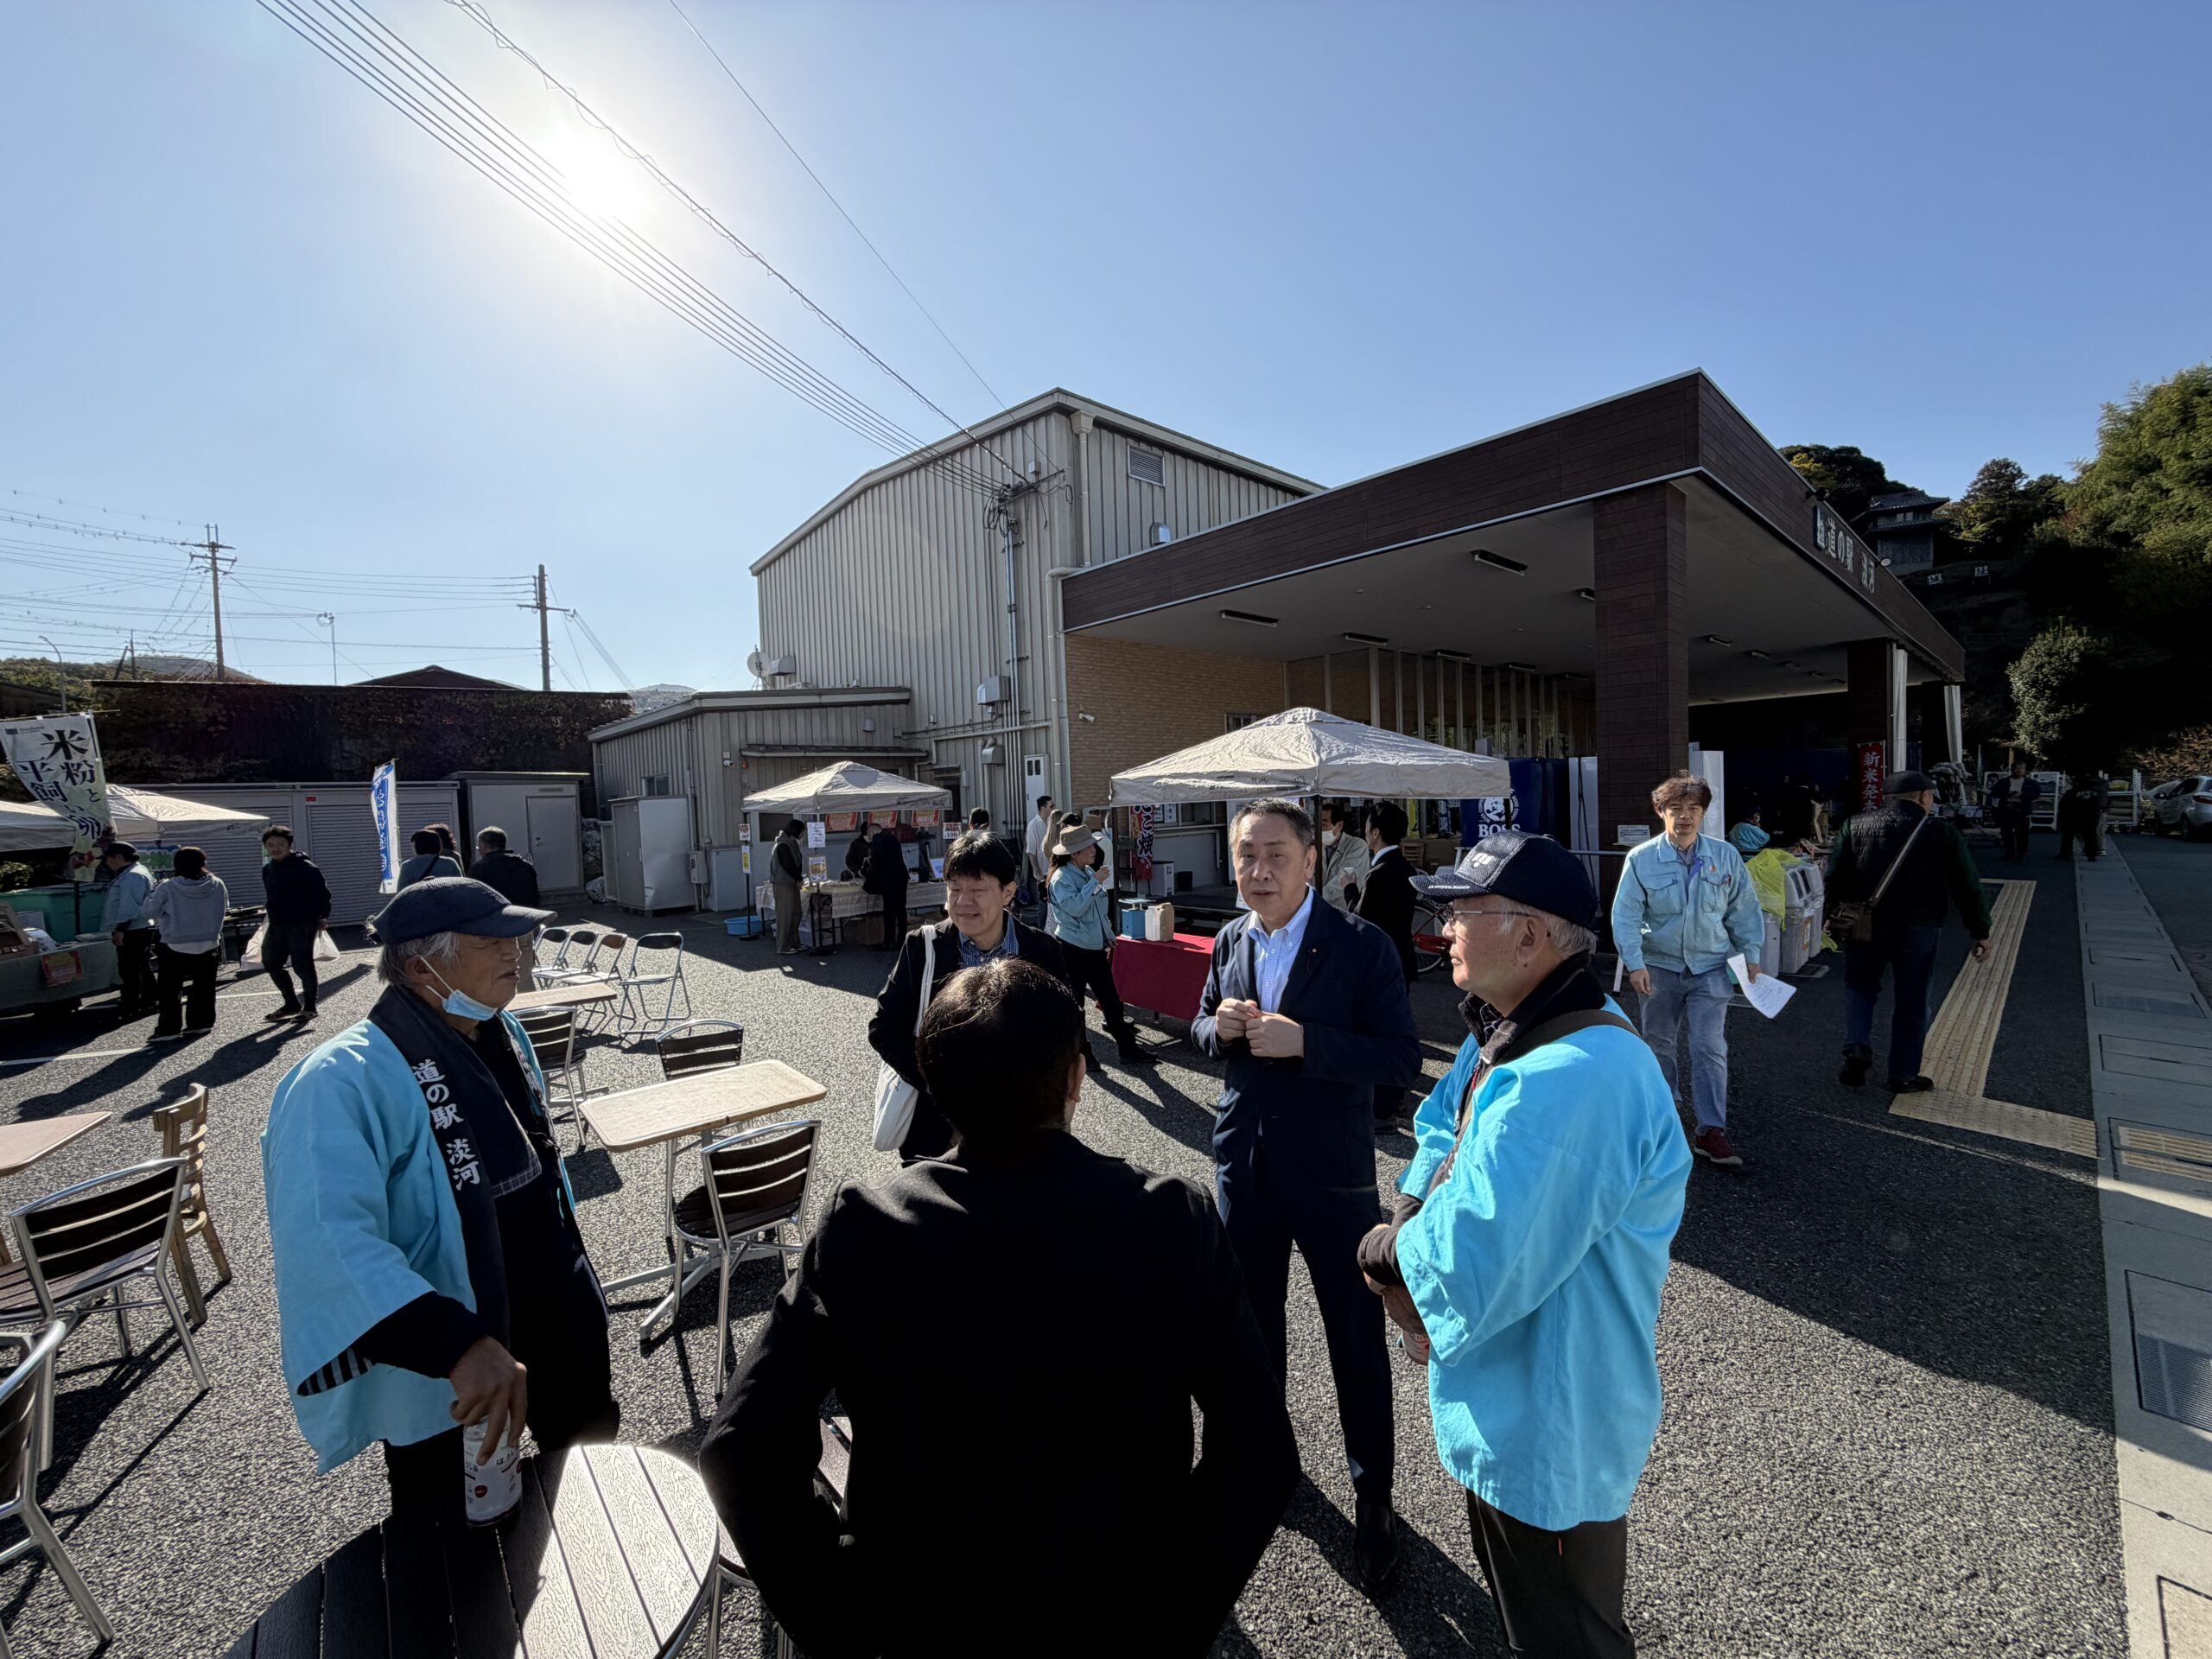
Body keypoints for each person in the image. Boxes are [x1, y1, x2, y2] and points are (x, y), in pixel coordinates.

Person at [707, 957, 1297, 1657]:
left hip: (923, 1621)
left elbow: (742, 1445)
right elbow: (1259, 1452)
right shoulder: (1173, 1219)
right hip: (1116, 1615)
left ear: (933, 1085)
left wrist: (842, 1616)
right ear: (1077, 1078)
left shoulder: (863, 1225)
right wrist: (1174, 1621)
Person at [1357, 832, 1689, 1659]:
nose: (1445, 930)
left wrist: (1382, 1254)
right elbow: (1443, 1120)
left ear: (1531, 936)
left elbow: (1463, 1263)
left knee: (1565, 1632)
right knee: (1537, 1616)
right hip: (1518, 1396)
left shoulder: (1571, 1075)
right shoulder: (1519, 1027)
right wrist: (1410, 1212)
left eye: (1463, 913)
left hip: (1550, 1412)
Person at [262, 877, 616, 1516]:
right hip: (457, 1354)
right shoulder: (342, 1078)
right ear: (422, 966)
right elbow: (327, 1239)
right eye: (490, 941)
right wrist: (453, 1344)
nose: (515, 951)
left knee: (590, 1480)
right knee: (460, 1523)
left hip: (554, 1310)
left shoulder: (501, 1031)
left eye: (517, 938)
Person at [1192, 798, 1422, 1598]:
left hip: (1332, 1175)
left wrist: (1309, 1043)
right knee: (1250, 1332)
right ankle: (1267, 1461)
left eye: (1276, 856)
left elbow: (1399, 1058)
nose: (1259, 871)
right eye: (1246, 856)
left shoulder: (1362, 945)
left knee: (1355, 1338)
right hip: (1244, 1168)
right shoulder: (1232, 939)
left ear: (1311, 860)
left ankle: (1374, 1497)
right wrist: (1217, 1029)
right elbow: (1199, 1028)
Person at [868, 830, 1067, 1162]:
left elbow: (1065, 1031)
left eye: (976, 889)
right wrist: (937, 1085)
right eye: (954, 888)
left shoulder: (1041, 950)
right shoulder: (923, 947)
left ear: (1007, 892)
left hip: (1022, 1124)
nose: (962, 902)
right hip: (935, 1129)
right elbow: (883, 1028)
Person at [1611, 770, 1765, 1169]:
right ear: (1661, 812)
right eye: (1676, 808)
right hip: (1658, 968)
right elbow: (1625, 916)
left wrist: (1751, 953)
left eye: (1693, 808)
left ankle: (1711, 1129)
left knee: (1709, 1047)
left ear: (1703, 813)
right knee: (1659, 1045)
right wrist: (1634, 964)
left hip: (1710, 967)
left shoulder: (1725, 856)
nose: (1685, 816)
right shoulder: (1642, 859)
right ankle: (1665, 1120)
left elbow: (1743, 909)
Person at [1828, 771, 1993, 1092]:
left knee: (1860, 986)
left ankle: (1857, 1046)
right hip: (1919, 926)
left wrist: (1831, 913)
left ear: (1886, 798)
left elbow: (1836, 875)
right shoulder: (1941, 831)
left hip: (1865, 922)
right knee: (1913, 998)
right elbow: (1967, 885)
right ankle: (1902, 1074)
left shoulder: (1856, 824)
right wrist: (1980, 929)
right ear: (1923, 797)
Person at [1046, 825, 1151, 1065]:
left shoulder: (1084, 872)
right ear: (1075, 853)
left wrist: (1107, 935)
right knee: (1076, 1005)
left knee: (1111, 1000)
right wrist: (1095, 882)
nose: (1094, 849)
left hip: (1092, 947)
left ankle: (1127, 1049)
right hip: (1072, 948)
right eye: (1089, 846)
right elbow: (1076, 908)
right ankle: (1083, 1054)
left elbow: (1098, 912)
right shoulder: (1063, 877)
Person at [1357, 801, 1420, 1135]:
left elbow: (1362, 921)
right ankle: (1397, 1097)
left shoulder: (1379, 872)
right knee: (1397, 1029)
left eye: (1367, 826)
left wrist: (1350, 887)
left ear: (1375, 833)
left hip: (1379, 964)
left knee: (1378, 1033)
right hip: (1403, 957)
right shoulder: (1406, 867)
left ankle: (1385, 1106)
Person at [143, 846, 229, 1042]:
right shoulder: (217, 883)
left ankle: (169, 1029)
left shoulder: (167, 887)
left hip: (175, 943)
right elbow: (225, 907)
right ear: (203, 862)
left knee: (170, 989)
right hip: (208, 942)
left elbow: (149, 912)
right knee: (204, 987)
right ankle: (200, 1023)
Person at [258, 825, 333, 1022]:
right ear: (265, 847)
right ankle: (291, 1003)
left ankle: (310, 1006)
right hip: (277, 923)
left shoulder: (305, 867)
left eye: (280, 844)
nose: (275, 848)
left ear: (289, 845)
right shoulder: (268, 869)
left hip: (302, 922)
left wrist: (321, 916)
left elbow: (322, 893)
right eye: (270, 845)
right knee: (271, 962)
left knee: (302, 965)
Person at [99, 841, 159, 1021]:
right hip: (138, 927)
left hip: (132, 929)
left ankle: (131, 1006)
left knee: (129, 970)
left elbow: (130, 906)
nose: (106, 862)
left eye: (108, 858)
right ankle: (148, 1000)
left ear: (119, 857)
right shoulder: (136, 871)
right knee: (141, 966)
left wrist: (120, 929)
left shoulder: (132, 876)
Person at [467, 828, 541, 908]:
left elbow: (473, 900)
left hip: (495, 914)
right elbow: (535, 898)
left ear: (483, 846)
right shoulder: (526, 866)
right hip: (524, 913)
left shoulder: (477, 869)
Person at [864, 819, 910, 950]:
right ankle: (902, 939)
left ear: (872, 832)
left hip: (889, 879)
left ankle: (889, 941)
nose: (869, 838)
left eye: (869, 835)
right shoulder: (893, 838)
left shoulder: (878, 840)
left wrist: (869, 867)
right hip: (901, 877)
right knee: (901, 909)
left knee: (889, 911)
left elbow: (878, 861)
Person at [1319, 801, 1371, 913]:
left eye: (1323, 825)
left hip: (1344, 913)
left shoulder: (1357, 846)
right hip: (1320, 912)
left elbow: (1343, 879)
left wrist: (1316, 899)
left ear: (1339, 826)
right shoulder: (1317, 848)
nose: (1319, 830)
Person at [1986, 763, 2042, 863]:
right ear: (2012, 769)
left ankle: (2021, 854)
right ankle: (2009, 852)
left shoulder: (2030, 782)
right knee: (2006, 833)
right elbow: (1994, 793)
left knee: (2023, 834)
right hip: (2006, 809)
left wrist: (2023, 795)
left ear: (2025, 770)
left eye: (2021, 768)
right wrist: (2007, 794)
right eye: (2017, 768)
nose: (2019, 770)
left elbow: (2037, 794)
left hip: (2022, 810)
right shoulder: (2004, 782)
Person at [770, 817, 806, 956]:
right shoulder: (783, 845)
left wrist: (799, 879)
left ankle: (795, 942)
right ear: (796, 830)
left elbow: (797, 864)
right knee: (785, 915)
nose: (803, 834)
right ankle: (783, 946)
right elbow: (789, 865)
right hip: (783, 884)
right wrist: (799, 878)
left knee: (796, 914)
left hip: (792, 883)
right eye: (802, 831)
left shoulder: (793, 844)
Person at [2056, 769, 2107, 861]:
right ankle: (2091, 855)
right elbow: (2101, 801)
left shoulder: (2075, 789)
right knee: (2090, 835)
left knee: (2068, 834)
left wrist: (2063, 815)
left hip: (2074, 813)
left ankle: (2065, 853)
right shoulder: (2100, 786)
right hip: (2092, 814)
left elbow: (2066, 803)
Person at [397, 829, 463, 891]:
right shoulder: (450, 863)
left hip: (420, 899)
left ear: (417, 846)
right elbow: (461, 886)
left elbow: (401, 892)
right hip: (447, 898)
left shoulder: (408, 866)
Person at [1025, 793, 1057, 904]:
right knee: (1044, 904)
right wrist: (1038, 874)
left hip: (1054, 869)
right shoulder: (1033, 826)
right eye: (1051, 806)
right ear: (1043, 808)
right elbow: (1031, 852)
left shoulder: (1052, 822)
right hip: (1043, 872)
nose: (1054, 809)